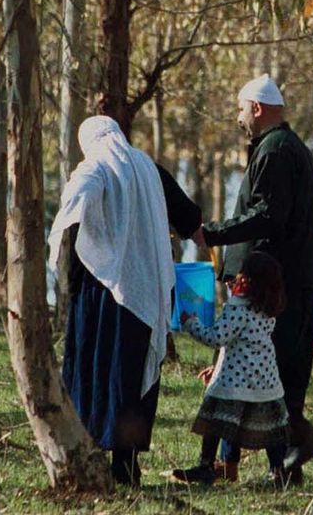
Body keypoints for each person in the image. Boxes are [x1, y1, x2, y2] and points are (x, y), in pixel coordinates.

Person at [48, 115, 200, 486]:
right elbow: (189, 215)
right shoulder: (148, 168)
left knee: (96, 371)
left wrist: (60, 231)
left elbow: (77, 199)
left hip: (100, 293)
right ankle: (126, 462)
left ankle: (91, 450)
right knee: (131, 378)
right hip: (143, 290)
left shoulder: (95, 165)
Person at [192, 73, 313, 485]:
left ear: (257, 108)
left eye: (240, 108)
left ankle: (303, 442)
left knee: (275, 380)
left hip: (275, 289)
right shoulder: (283, 147)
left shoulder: (276, 152)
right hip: (287, 285)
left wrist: (212, 233)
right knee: (280, 376)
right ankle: (287, 469)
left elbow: (268, 217)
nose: (238, 117)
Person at [171, 252, 290, 486]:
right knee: (272, 430)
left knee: (216, 422)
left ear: (249, 280)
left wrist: (190, 322)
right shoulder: (268, 309)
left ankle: (206, 466)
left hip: (235, 382)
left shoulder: (238, 309)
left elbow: (217, 337)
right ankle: (278, 471)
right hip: (266, 382)